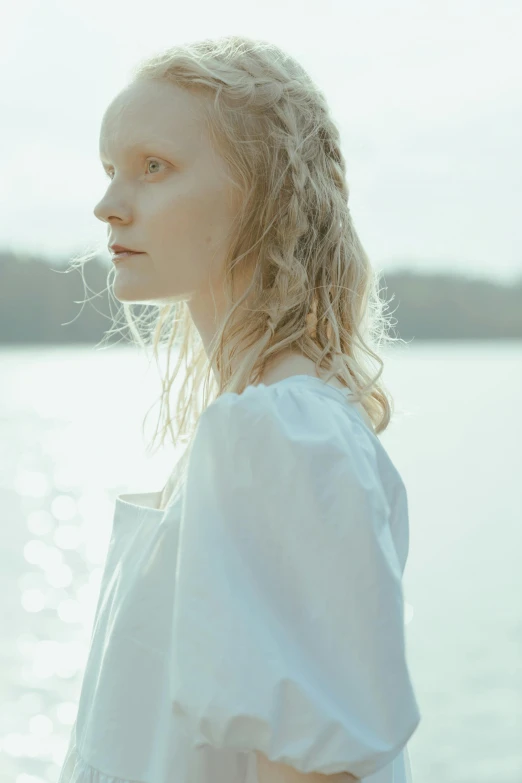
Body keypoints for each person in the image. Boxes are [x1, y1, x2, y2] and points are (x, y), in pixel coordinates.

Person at [59, 35, 421, 783]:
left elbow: (319, 771)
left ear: (263, 189)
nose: (107, 205)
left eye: (152, 167)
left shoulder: (282, 434)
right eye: (110, 170)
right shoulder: (257, 423)